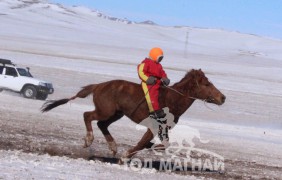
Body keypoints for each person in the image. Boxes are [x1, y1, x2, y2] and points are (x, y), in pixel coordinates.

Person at [137, 47, 170, 119]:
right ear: (155, 56)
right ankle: (154, 111)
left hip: (157, 82)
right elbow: (141, 72)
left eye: (161, 58)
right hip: (149, 83)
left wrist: (165, 78)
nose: (161, 60)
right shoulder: (146, 63)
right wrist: (148, 79)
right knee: (152, 95)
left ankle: (162, 108)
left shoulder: (159, 65)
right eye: (160, 58)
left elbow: (162, 73)